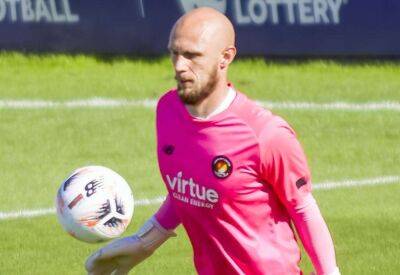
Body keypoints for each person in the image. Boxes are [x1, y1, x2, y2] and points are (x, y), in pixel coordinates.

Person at [85, 7, 339, 275]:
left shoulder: (265, 134)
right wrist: (146, 241)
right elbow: (188, 188)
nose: (180, 65)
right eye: (175, 53)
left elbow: (302, 207)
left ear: (225, 58)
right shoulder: (168, 110)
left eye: (192, 55)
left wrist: (329, 273)